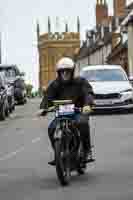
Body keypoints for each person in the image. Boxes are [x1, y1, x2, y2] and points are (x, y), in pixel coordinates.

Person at [40, 57, 95, 165]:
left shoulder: (80, 82)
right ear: (59, 72)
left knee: (82, 123)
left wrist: (87, 105)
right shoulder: (55, 84)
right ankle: (58, 154)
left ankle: (87, 150)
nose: (65, 73)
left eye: (67, 71)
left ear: (72, 71)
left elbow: (88, 93)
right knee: (51, 128)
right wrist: (43, 108)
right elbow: (47, 97)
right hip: (62, 114)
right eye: (62, 71)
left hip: (78, 111)